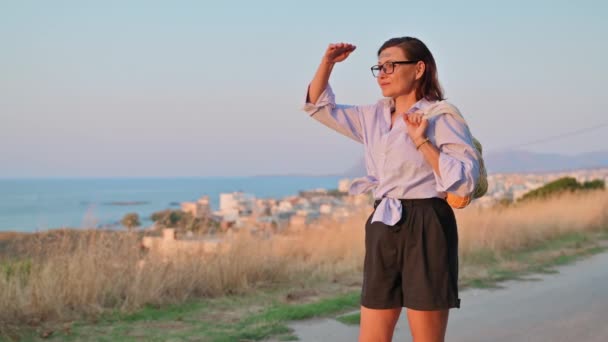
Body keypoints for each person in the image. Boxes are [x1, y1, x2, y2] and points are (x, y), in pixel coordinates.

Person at [302, 37, 480, 342]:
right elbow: (318, 107)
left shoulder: (441, 116)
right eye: (379, 67)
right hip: (384, 221)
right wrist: (328, 63)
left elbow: (465, 181)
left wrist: (421, 140)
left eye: (391, 65)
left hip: (427, 222)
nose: (382, 73)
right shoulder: (372, 116)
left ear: (419, 68)